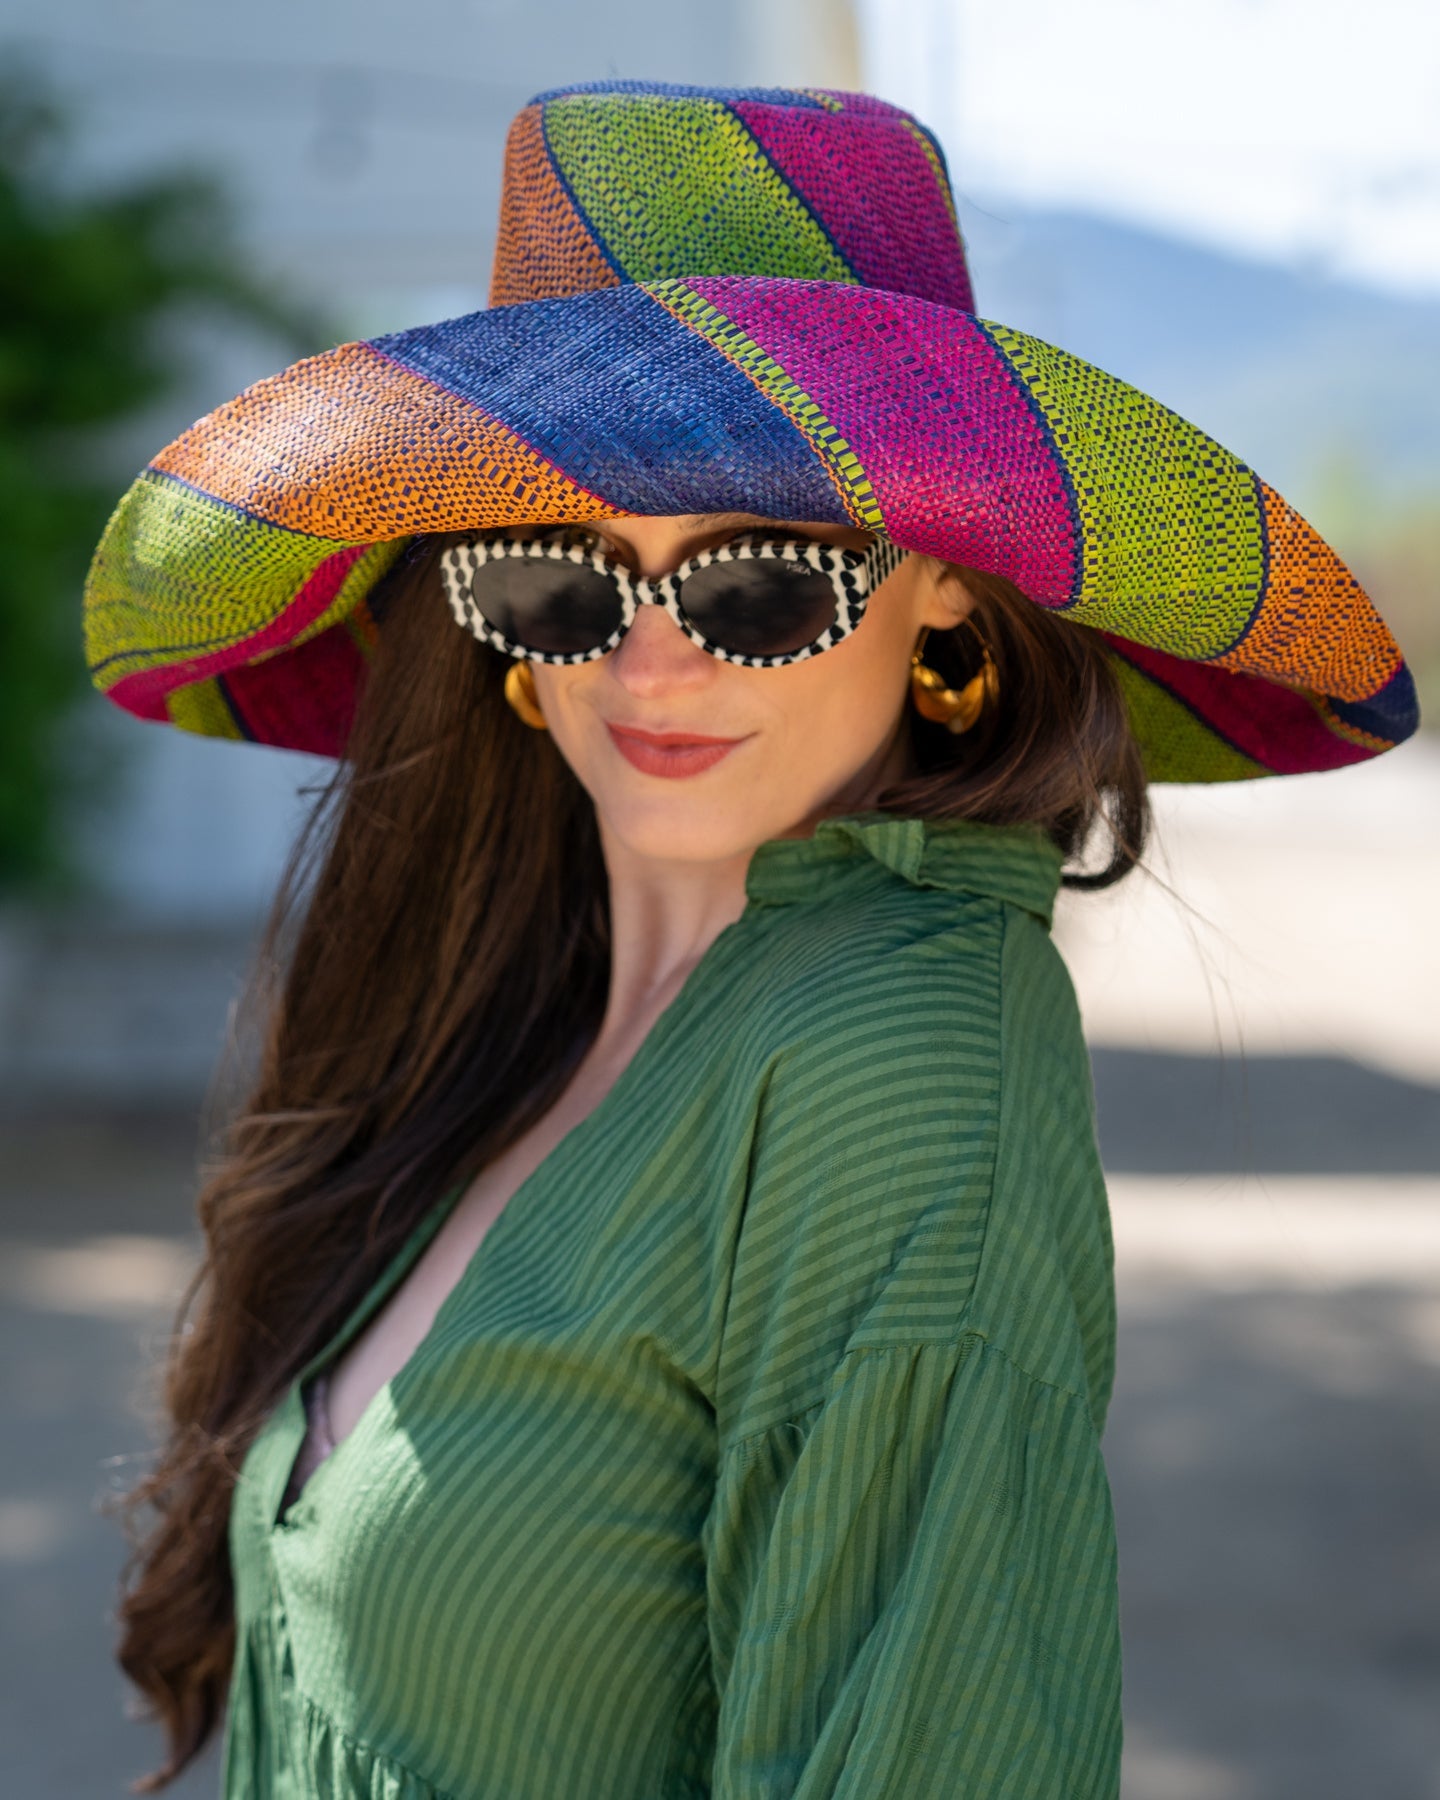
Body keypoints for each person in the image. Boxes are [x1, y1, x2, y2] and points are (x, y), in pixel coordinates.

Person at [83, 81, 1417, 1800]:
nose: (650, 665)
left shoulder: (890, 1057)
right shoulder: (519, 1006)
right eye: (560, 578)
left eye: (759, 583)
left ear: (941, 581)